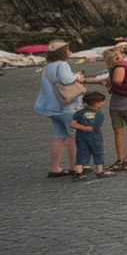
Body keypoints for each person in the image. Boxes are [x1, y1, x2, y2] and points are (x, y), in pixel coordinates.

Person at [34, 39, 83, 177]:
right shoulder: (62, 64)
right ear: (63, 52)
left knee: (59, 137)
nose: (69, 51)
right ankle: (74, 167)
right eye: (68, 49)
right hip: (67, 107)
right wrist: (77, 76)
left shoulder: (47, 67)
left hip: (52, 108)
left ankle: (54, 168)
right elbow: (66, 79)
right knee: (74, 136)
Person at [104, 44, 127, 172]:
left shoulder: (121, 65)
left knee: (124, 131)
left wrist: (110, 80)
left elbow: (117, 80)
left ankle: (124, 159)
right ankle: (125, 159)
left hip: (126, 102)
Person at [71, 91, 112, 180]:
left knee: (81, 153)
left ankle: (78, 172)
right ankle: (99, 170)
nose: (103, 103)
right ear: (96, 104)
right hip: (95, 136)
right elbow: (98, 128)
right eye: (102, 102)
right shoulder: (99, 114)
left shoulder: (80, 113)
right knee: (98, 152)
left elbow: (73, 124)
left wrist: (83, 127)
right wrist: (101, 140)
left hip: (81, 136)